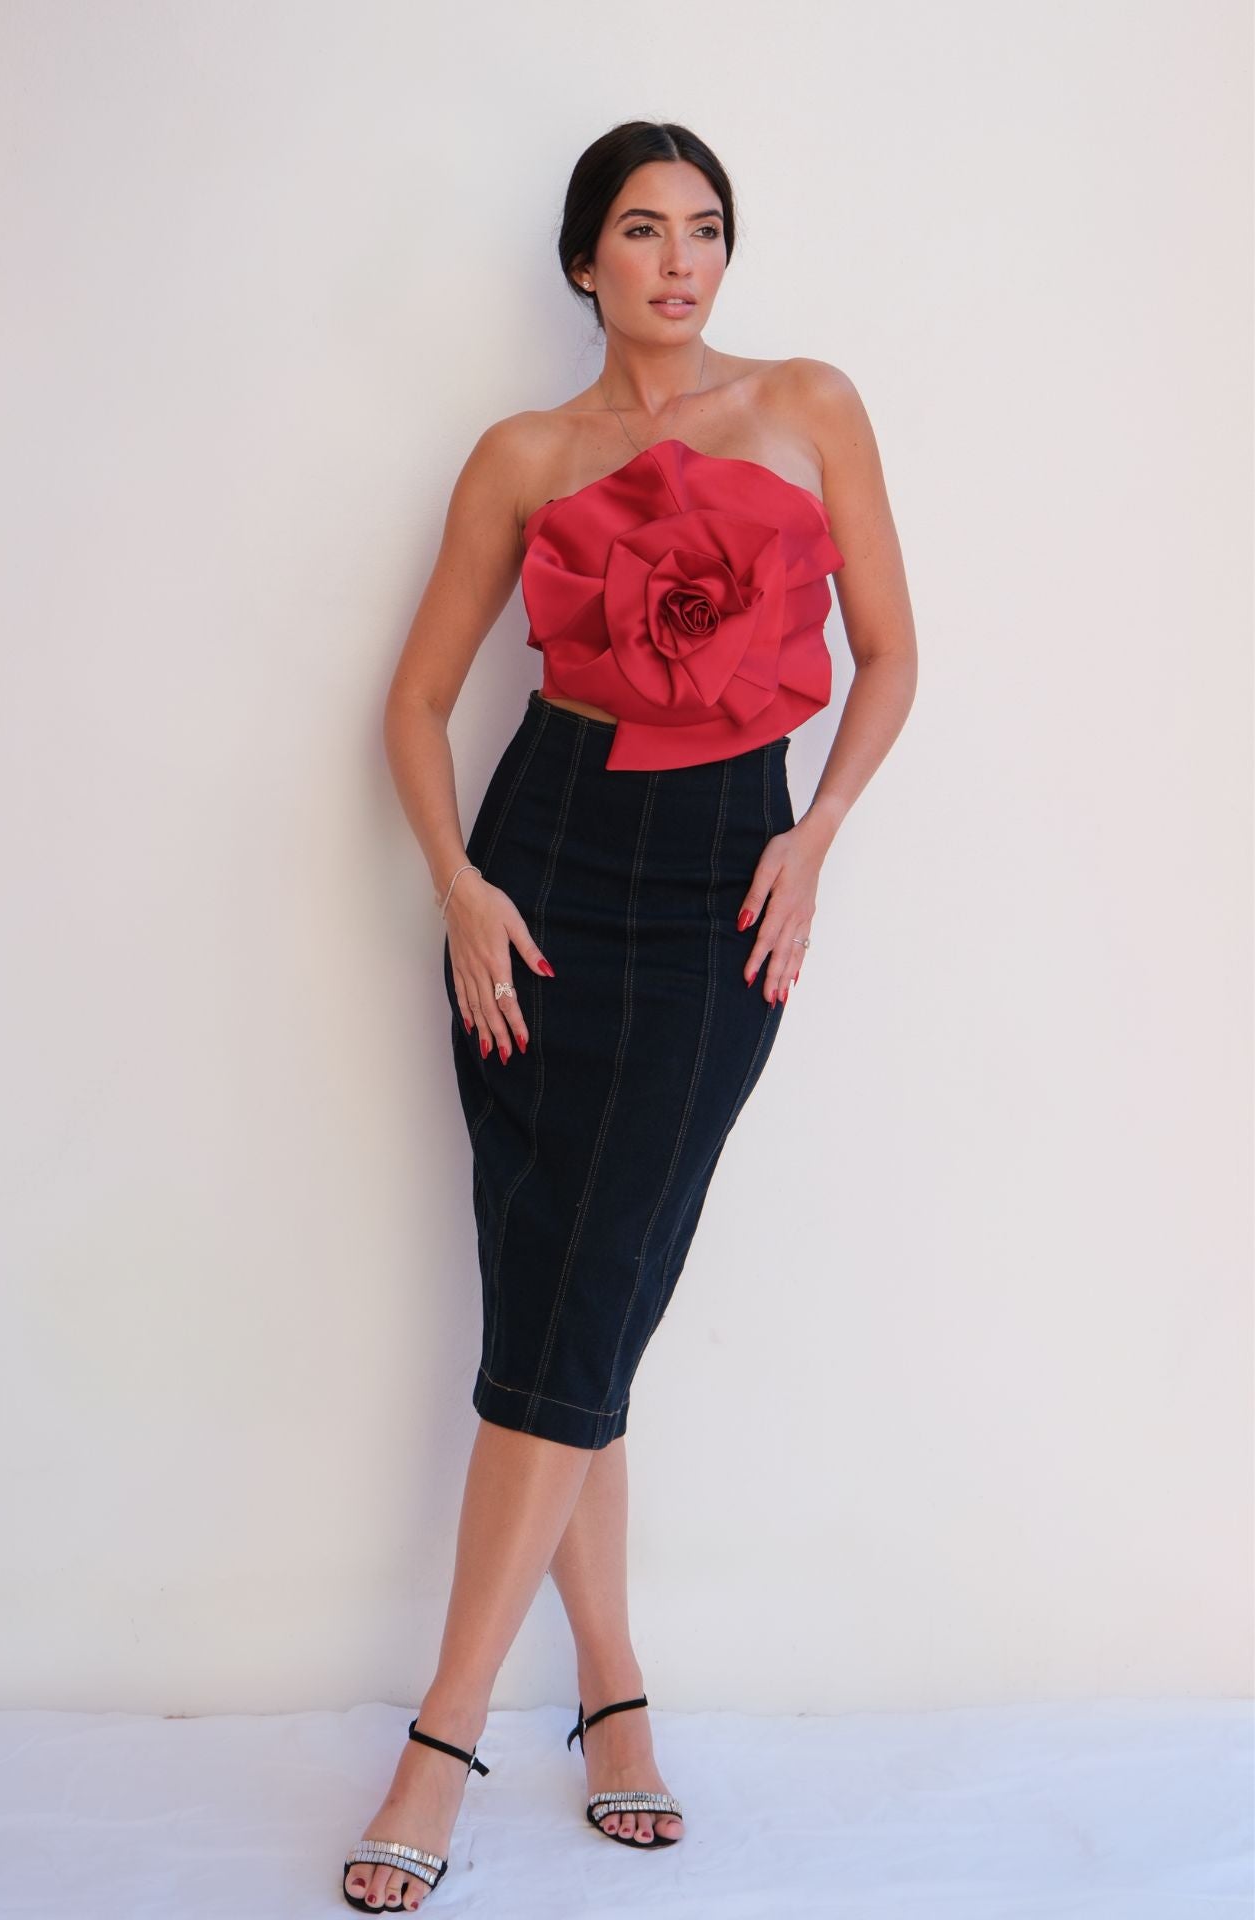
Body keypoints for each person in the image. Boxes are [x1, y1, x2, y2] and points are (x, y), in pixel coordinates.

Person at [343, 119, 917, 1913]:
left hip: (721, 876)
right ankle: (611, 1702)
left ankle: (440, 1739)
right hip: (544, 869)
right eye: (643, 232)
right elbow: (416, 706)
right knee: (560, 1291)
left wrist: (815, 837)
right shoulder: (524, 454)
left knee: (590, 1284)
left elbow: (894, 655)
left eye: (707, 230)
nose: (680, 261)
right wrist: (463, 891)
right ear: (584, 261)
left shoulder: (812, 402)